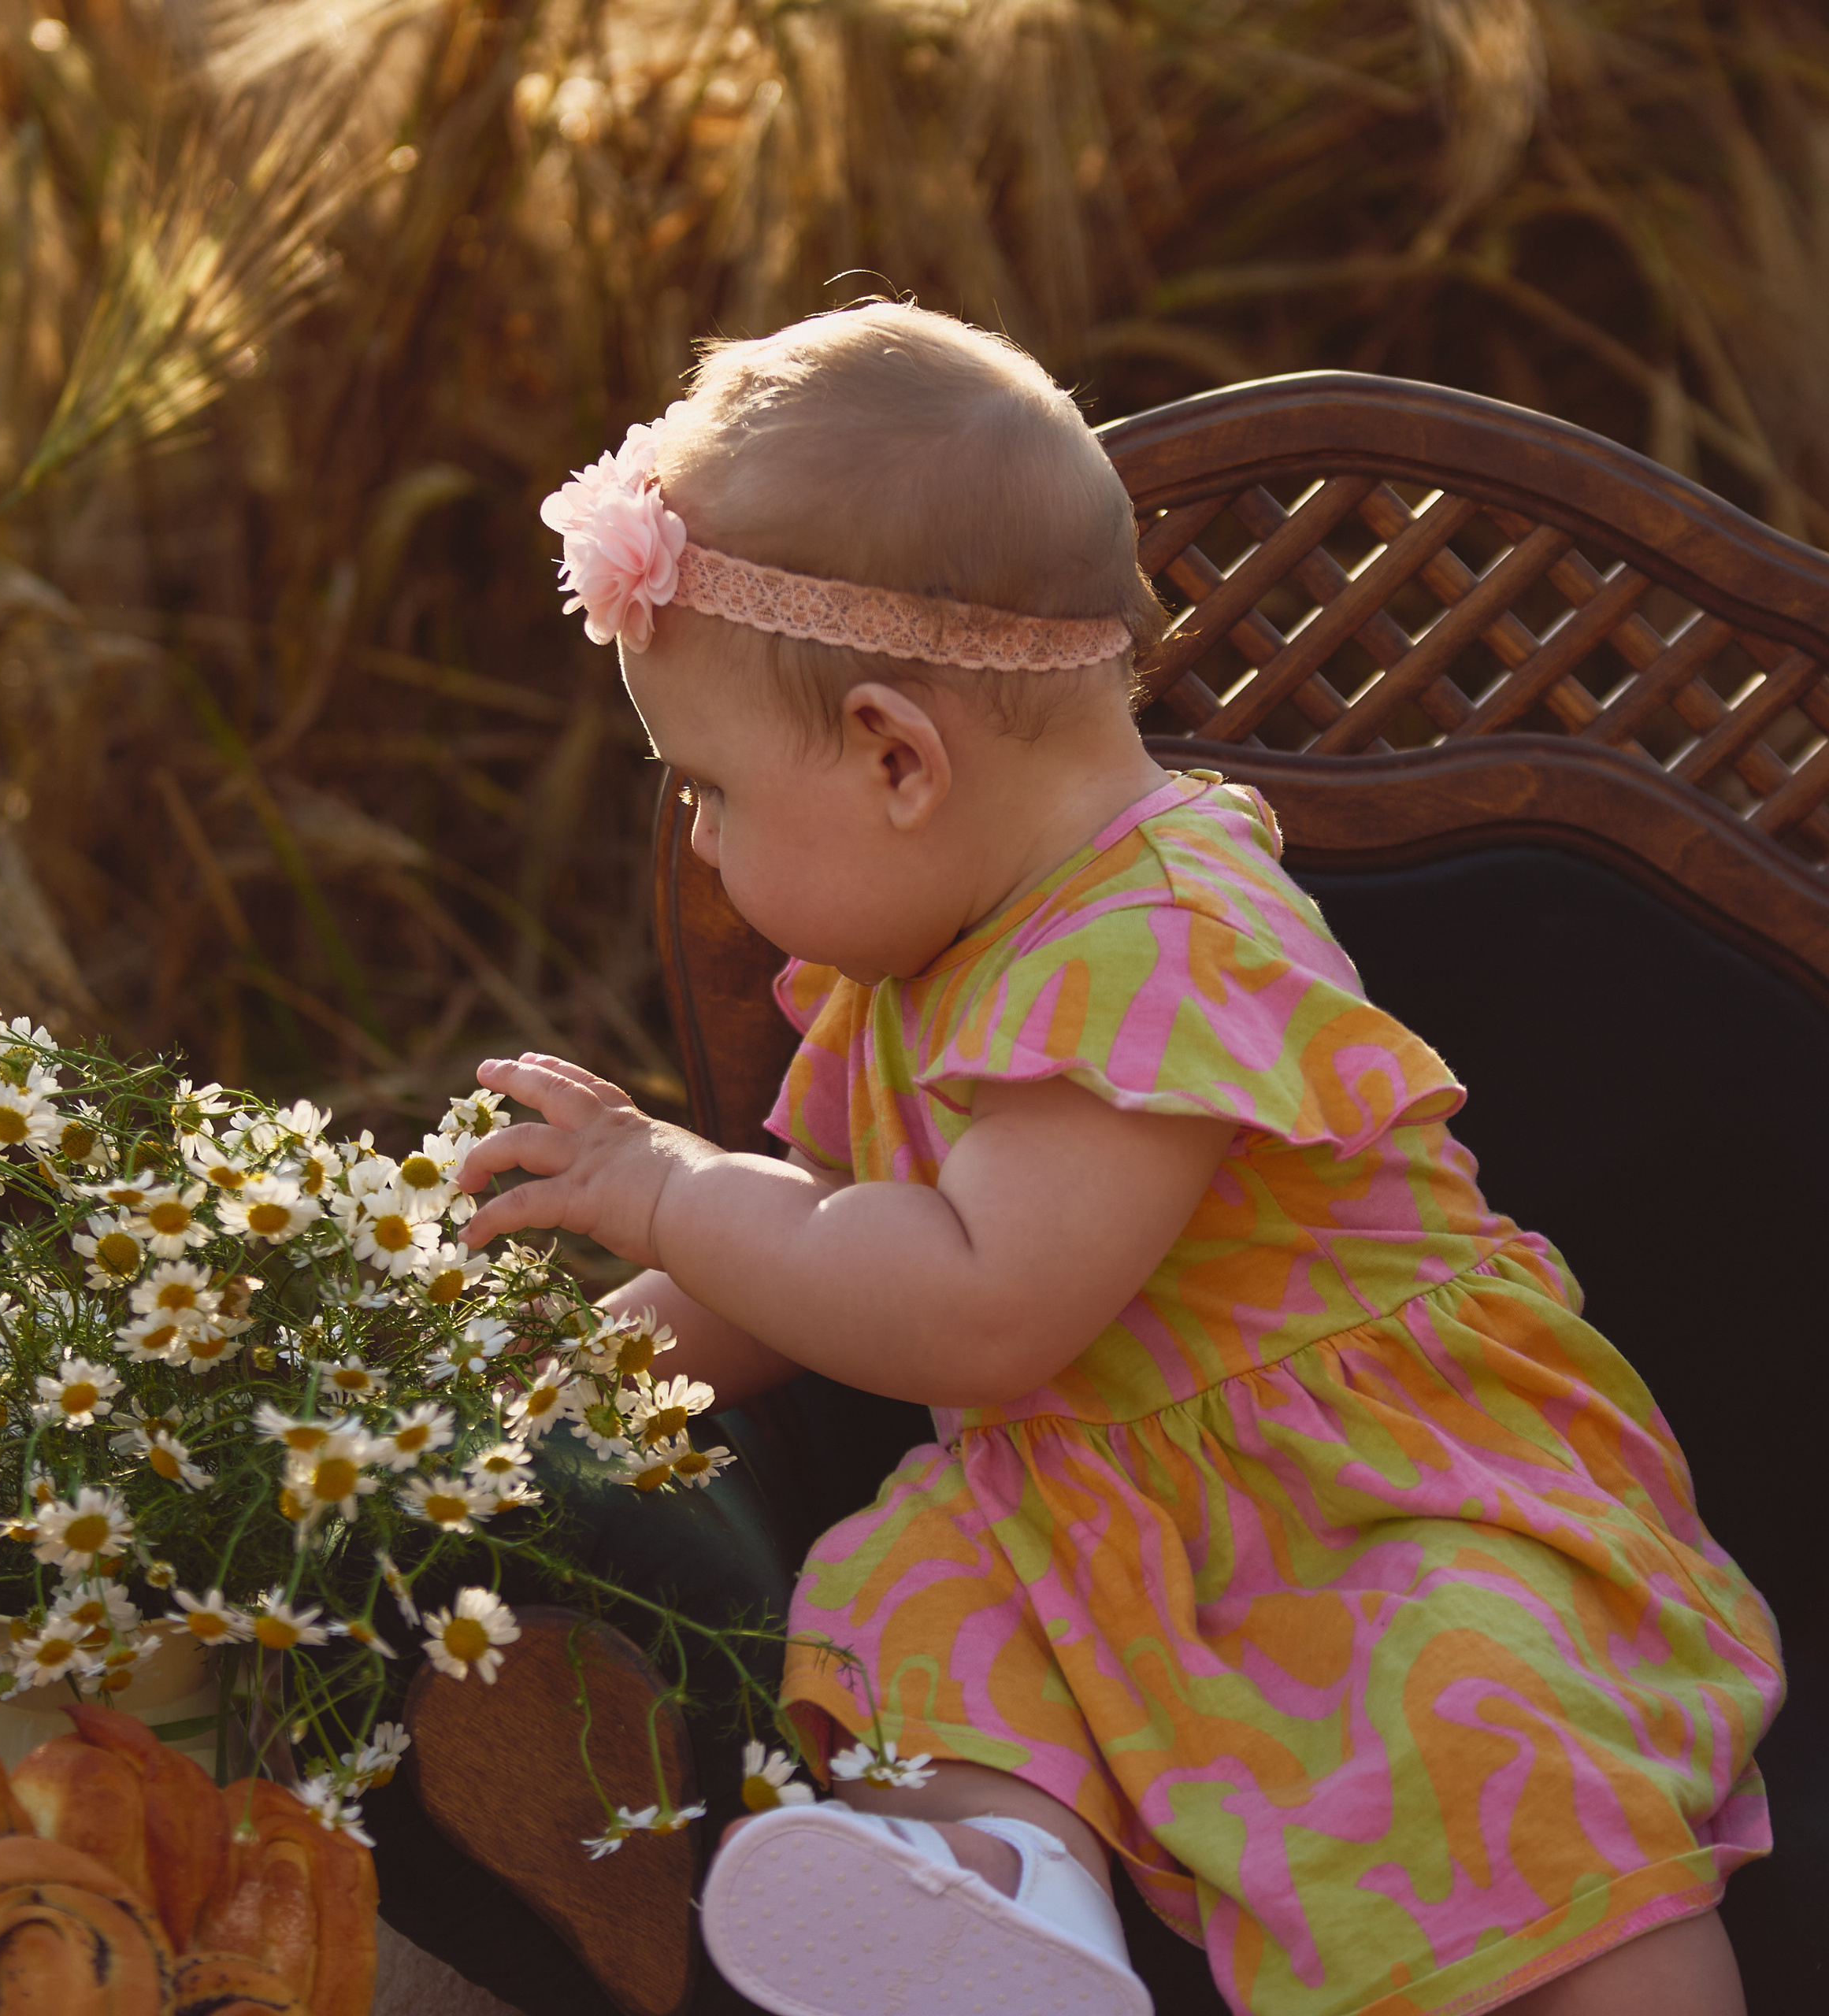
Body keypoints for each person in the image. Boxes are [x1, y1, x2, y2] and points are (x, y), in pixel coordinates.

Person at [454, 303, 1783, 2016]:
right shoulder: (914, 959)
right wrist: (543, 1385)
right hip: (1085, 1510)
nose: (698, 839)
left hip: (1361, 1499)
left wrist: (664, 1187)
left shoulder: (1160, 941)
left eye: (705, 788)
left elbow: (980, 1310)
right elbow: (801, 1259)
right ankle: (1008, 1910)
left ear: (895, 755)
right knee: (910, 1606)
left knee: (1479, 1718)